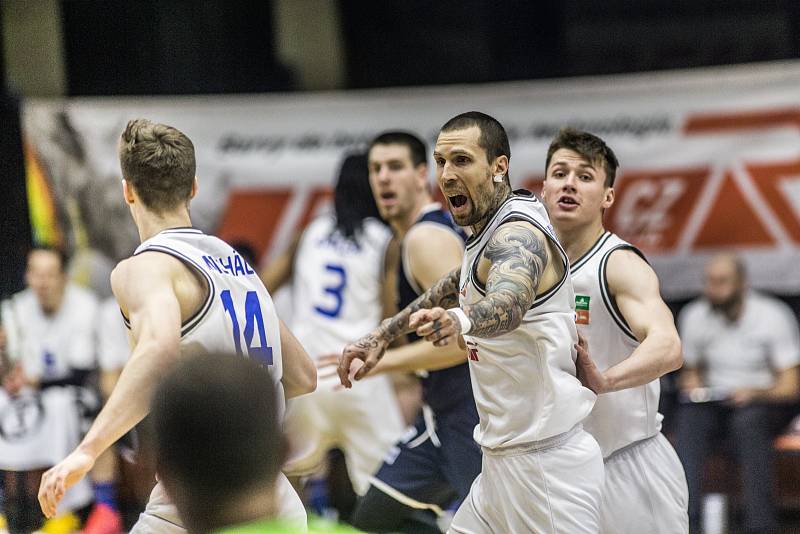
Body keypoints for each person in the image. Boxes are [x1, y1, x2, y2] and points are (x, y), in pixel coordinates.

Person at [37, 119, 317, 533]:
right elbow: (303, 375)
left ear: (127, 191)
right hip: (270, 492)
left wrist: (88, 449)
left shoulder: (143, 268)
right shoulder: (237, 266)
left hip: (202, 488)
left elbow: (158, 348)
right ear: (193, 188)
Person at [340, 112, 604, 533]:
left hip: (546, 466)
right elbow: (452, 283)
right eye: (441, 161)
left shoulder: (518, 234)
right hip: (502, 463)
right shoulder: (485, 232)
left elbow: (509, 302)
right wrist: (383, 334)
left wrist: (460, 319)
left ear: (499, 166)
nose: (446, 174)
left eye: (461, 160)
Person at [540, 127, 688, 533]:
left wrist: (605, 380)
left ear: (608, 197)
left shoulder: (617, 263)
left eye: (585, 176)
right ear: (544, 187)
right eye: (560, 172)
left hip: (627, 463)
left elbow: (668, 346)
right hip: (558, 470)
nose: (569, 183)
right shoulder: (532, 267)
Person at [346, 132, 480, 533]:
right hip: (439, 412)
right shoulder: (409, 238)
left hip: (472, 412)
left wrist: (384, 361)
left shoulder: (425, 239)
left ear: (423, 174)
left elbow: (466, 341)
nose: (384, 178)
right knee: (376, 517)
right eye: (375, 169)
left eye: (396, 167)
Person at [260, 153, 406, 499]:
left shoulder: (310, 232)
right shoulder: (384, 240)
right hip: (361, 378)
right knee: (387, 492)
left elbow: (258, 291)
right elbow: (390, 320)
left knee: (286, 482)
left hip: (308, 377)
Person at [677, 253, 800, 534]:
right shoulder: (695, 315)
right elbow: (692, 370)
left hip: (764, 400)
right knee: (688, 419)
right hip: (715, 400)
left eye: (721, 282)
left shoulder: (772, 315)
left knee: (748, 423)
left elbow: (790, 384)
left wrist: (754, 393)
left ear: (742, 283)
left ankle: (761, 525)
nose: (713, 289)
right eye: (709, 282)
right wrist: (693, 384)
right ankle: (686, 522)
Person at [0, 246, 101, 533]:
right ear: (28, 276)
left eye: (50, 275)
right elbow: (10, 370)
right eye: (36, 275)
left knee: (58, 405)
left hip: (73, 393)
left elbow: (80, 373)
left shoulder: (85, 306)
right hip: (25, 395)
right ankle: (7, 509)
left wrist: (36, 382)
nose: (43, 283)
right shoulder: (14, 308)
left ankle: (63, 511)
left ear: (63, 277)